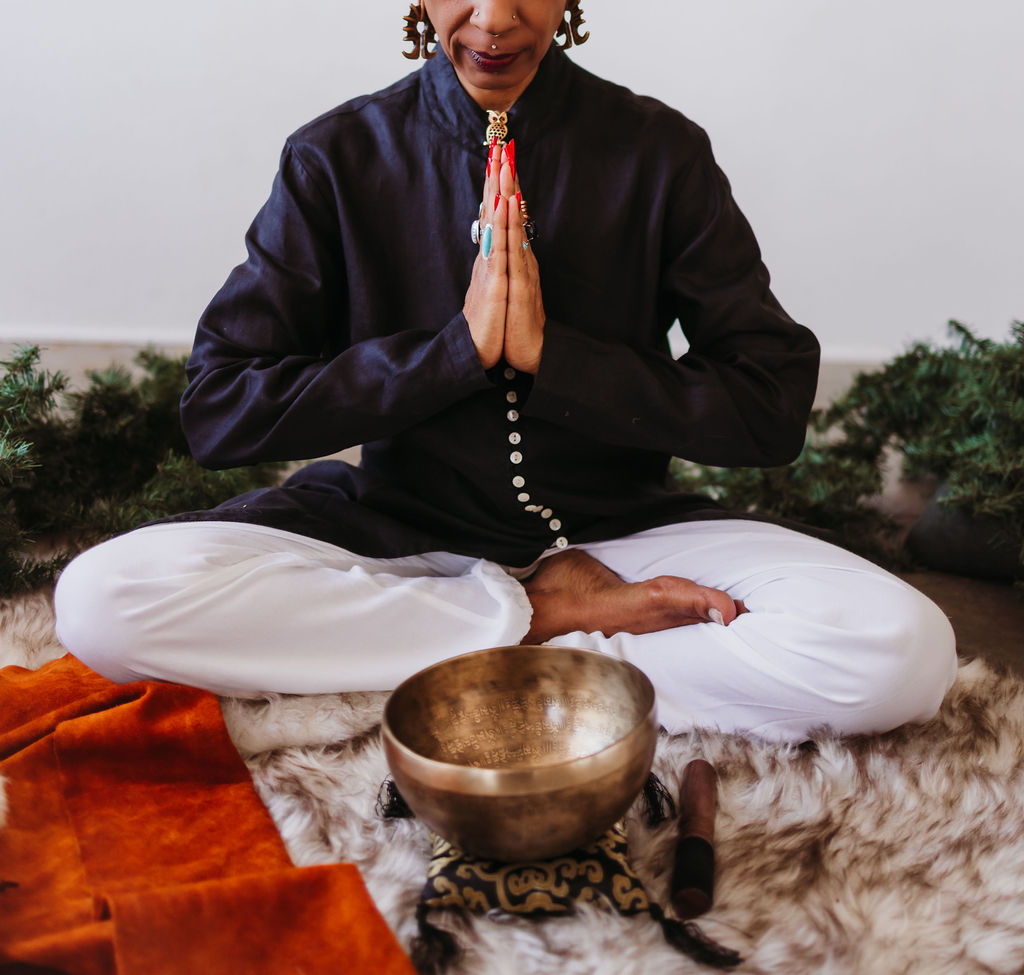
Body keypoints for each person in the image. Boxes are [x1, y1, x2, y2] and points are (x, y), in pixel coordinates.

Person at [53, 1, 957, 743]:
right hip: (398, 540)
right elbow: (221, 408)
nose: (493, 21)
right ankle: (542, 627)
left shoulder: (658, 151)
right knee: (102, 600)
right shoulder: (337, 157)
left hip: (624, 537)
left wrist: (550, 355)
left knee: (903, 650)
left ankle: (447, 651)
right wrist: (456, 352)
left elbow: (767, 407)